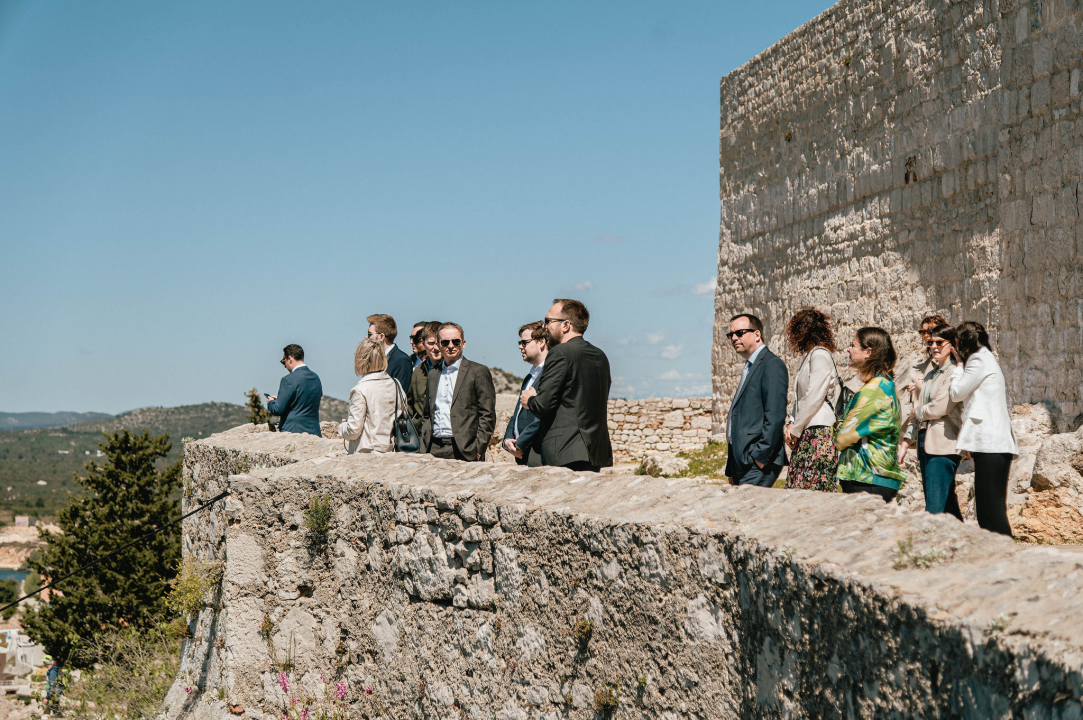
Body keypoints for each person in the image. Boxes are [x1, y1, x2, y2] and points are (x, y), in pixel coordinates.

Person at [520, 299, 613, 472]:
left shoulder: (560, 353)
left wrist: (529, 400)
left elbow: (542, 406)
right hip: (594, 451)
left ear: (566, 325)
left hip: (563, 451)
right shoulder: (600, 355)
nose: (544, 327)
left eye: (548, 321)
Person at [949, 321, 1018, 536]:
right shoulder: (986, 358)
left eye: (957, 342)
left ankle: (1006, 552)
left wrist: (958, 367)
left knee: (991, 512)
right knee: (988, 510)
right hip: (990, 443)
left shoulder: (978, 360)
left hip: (991, 444)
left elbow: (957, 393)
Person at [834, 327, 905, 501]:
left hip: (867, 478)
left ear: (868, 352)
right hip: (874, 478)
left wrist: (837, 427)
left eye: (853, 345)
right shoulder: (884, 384)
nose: (848, 349)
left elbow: (842, 439)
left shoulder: (872, 391)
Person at [722, 313, 788, 487]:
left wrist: (761, 456)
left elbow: (775, 415)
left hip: (757, 463)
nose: (734, 338)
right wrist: (732, 466)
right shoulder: (750, 367)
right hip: (741, 462)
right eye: (731, 335)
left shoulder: (771, 364)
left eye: (740, 333)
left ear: (757, 334)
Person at [907, 324, 963, 518]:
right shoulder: (931, 374)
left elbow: (941, 407)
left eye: (939, 343)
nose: (933, 346)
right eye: (931, 342)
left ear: (952, 344)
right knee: (947, 505)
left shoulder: (953, 372)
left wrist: (918, 412)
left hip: (943, 444)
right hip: (926, 439)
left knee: (934, 508)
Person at [783, 308, 840, 492]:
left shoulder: (820, 355)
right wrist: (792, 423)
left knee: (815, 491)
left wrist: (796, 429)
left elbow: (814, 396)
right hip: (807, 431)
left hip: (819, 432)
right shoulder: (810, 356)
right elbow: (800, 398)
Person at [424, 322, 497, 461]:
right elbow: (427, 414)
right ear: (438, 345)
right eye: (445, 342)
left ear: (463, 343)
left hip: (465, 450)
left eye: (455, 341)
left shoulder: (478, 371)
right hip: (433, 448)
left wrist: (479, 448)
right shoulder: (433, 374)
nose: (451, 346)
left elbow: (487, 413)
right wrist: (424, 444)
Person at [897, 314, 949, 463]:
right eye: (922, 332)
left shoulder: (949, 366)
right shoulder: (922, 367)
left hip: (942, 433)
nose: (926, 335)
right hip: (922, 430)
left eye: (929, 331)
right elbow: (918, 403)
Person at [337, 339, 399, 454]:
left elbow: (353, 431)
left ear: (361, 360)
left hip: (367, 451)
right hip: (391, 450)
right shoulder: (395, 384)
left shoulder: (360, 390)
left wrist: (342, 426)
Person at [502, 321, 548, 467]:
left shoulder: (550, 375)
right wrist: (507, 439)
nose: (520, 346)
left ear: (541, 342)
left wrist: (521, 443)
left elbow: (543, 415)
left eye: (524, 342)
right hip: (523, 454)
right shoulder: (529, 377)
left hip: (538, 452)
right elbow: (517, 413)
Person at [267, 344, 323, 436]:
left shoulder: (288, 379)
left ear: (289, 359)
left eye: (283, 361)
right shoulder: (315, 377)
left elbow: (278, 410)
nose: (284, 366)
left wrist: (271, 402)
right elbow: (304, 400)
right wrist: (281, 399)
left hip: (293, 433)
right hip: (315, 433)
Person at [407, 321, 443, 434]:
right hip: (421, 435)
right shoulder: (417, 371)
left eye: (440, 343)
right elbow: (410, 405)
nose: (436, 347)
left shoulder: (453, 370)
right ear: (424, 343)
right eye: (431, 343)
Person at [367, 314, 413, 393]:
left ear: (381, 336)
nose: (366, 336)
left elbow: (400, 394)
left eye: (370, 334)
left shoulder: (402, 360)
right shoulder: (376, 359)